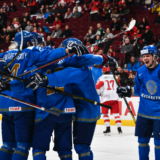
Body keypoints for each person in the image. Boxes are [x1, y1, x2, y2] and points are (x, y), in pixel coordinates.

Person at [0, 32, 82, 160]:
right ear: (28, 42)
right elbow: (48, 55)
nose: (38, 44)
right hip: (23, 104)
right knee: (22, 146)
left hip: (5, 105)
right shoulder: (31, 52)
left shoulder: (4, 55)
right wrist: (66, 50)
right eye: (36, 41)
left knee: (7, 145)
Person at [116, 45, 160, 160]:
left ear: (155, 57)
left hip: (159, 115)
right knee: (142, 142)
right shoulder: (140, 70)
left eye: (148, 56)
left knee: (159, 144)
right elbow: (138, 90)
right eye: (143, 56)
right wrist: (127, 90)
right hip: (143, 113)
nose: (145, 59)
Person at [96, 66, 122, 135]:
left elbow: (98, 87)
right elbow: (119, 86)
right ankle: (119, 129)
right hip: (114, 98)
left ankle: (108, 128)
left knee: (105, 114)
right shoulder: (115, 77)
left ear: (103, 71)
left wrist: (99, 93)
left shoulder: (101, 78)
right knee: (116, 114)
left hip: (105, 98)